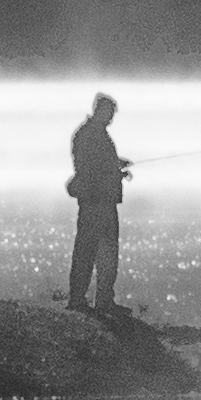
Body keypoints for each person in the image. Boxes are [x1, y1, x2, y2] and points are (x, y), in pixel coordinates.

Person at [65, 91, 132, 312]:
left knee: (99, 252)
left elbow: (97, 165)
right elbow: (91, 169)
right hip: (97, 202)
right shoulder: (91, 135)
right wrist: (116, 171)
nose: (112, 117)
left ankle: (96, 300)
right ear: (100, 111)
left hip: (99, 200)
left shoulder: (89, 134)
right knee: (94, 251)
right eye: (110, 112)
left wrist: (116, 166)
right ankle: (88, 301)